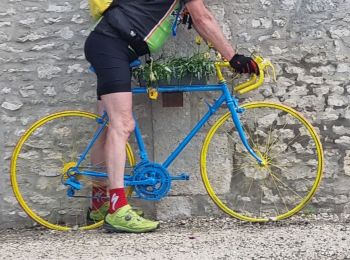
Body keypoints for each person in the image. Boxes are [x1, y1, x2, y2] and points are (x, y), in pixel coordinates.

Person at [84, 0, 260, 233]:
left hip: (108, 44)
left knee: (107, 125)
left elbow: (196, 19)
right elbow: (202, 18)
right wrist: (233, 57)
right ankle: (117, 209)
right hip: (113, 45)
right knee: (122, 124)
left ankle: (100, 204)